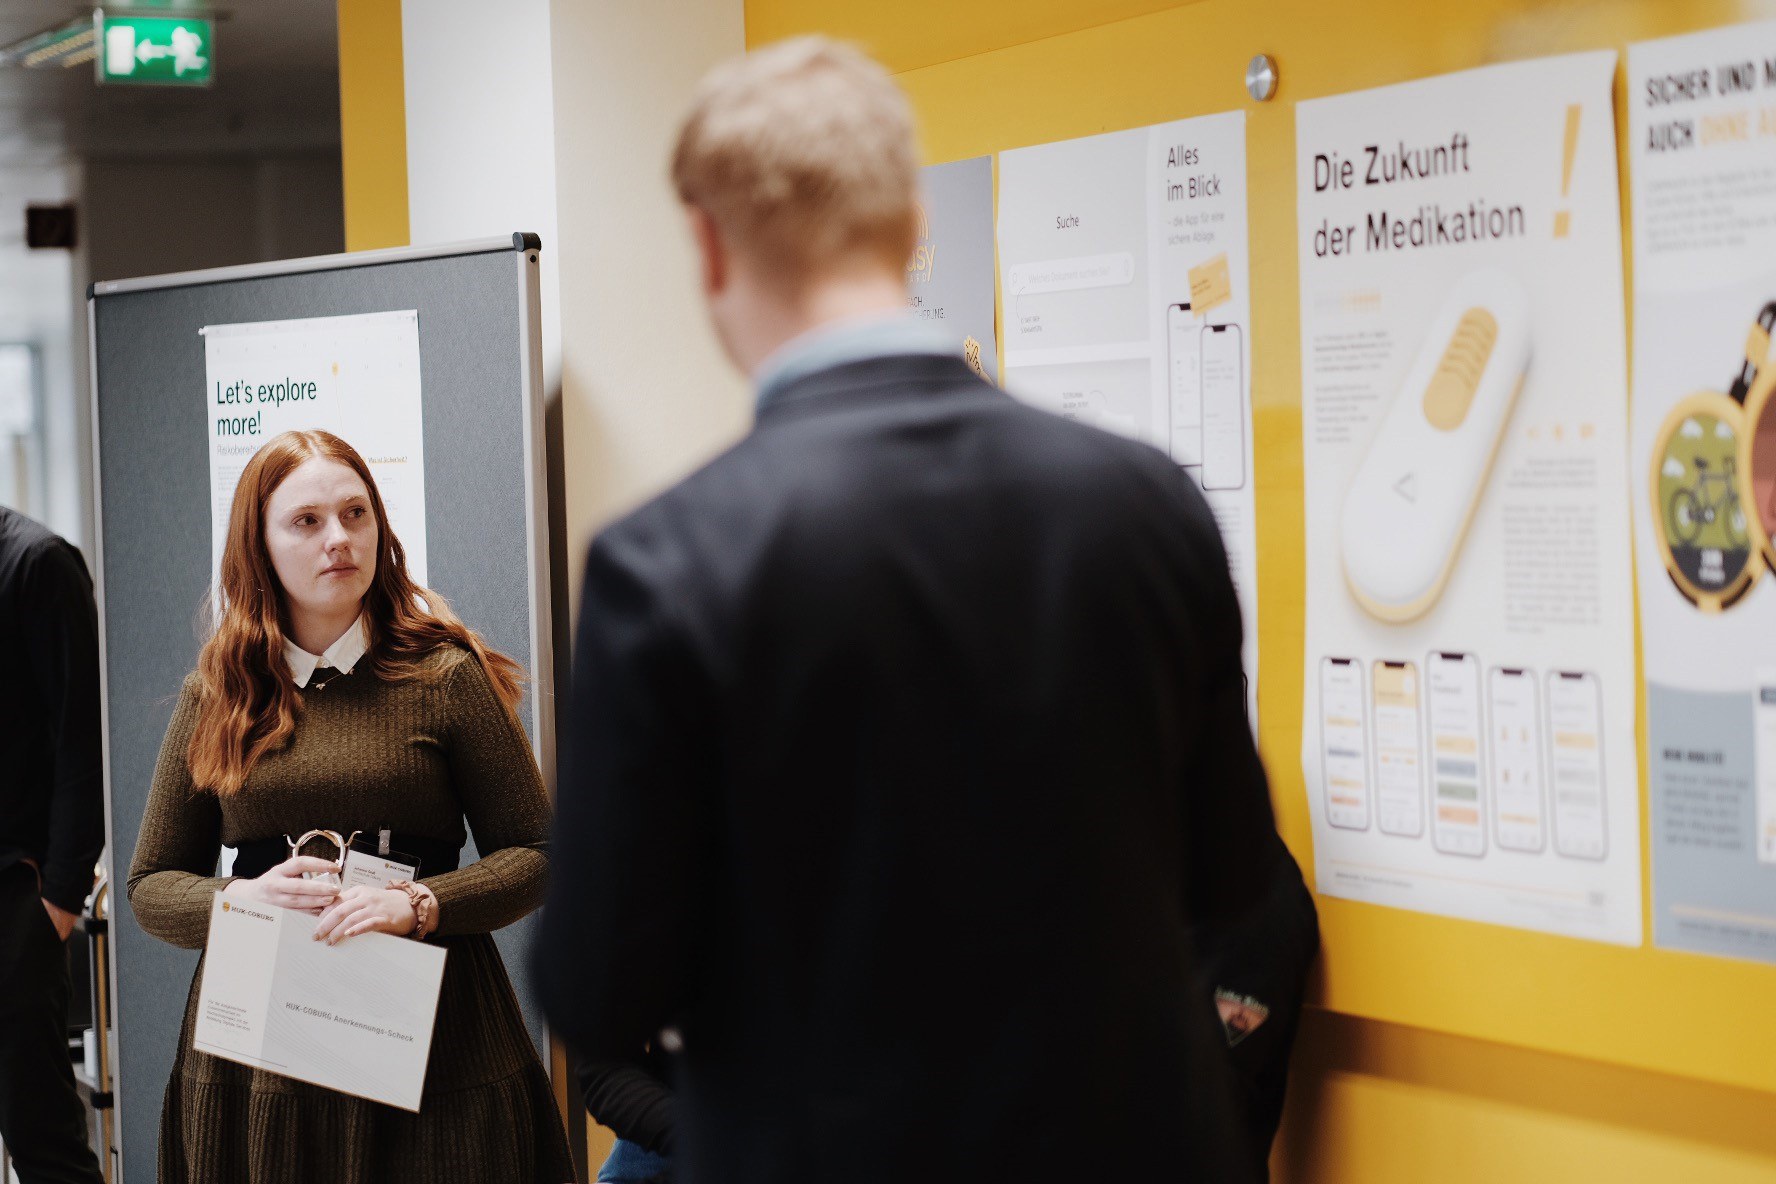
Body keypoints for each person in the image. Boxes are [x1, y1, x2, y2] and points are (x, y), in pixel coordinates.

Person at [536, 37, 1290, 1183]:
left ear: (706, 242)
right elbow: (1230, 873)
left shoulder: (668, 561)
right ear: (909, 218)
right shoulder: (1146, 502)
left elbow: (598, 983)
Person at [126, 430, 572, 1184]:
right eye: (306, 521)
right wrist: (241, 900)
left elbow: (538, 854)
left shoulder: (445, 674)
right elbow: (150, 885)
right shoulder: (219, 691)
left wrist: (422, 903)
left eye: (356, 514)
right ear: (257, 546)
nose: (339, 539)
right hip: (262, 1053)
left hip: (440, 1038)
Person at [0, 507, 107, 1184]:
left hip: (15, 894)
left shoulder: (38, 564)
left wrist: (58, 901)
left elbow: (82, 740)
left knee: (43, 1145)